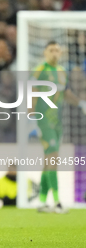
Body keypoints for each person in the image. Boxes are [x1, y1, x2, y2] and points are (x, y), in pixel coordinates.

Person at [32, 41, 86, 213]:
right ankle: (56, 202)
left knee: (49, 160)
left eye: (57, 50)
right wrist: (32, 118)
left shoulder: (62, 72)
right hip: (44, 120)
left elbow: (66, 93)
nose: (55, 53)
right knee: (53, 158)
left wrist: (81, 103)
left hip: (57, 121)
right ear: (45, 53)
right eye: (51, 50)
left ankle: (41, 202)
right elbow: (31, 91)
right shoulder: (40, 70)